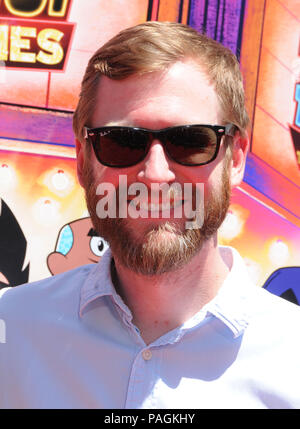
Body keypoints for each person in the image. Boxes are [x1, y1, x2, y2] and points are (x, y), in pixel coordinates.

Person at [0, 21, 300, 409]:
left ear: (236, 158)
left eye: (191, 141)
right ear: (81, 158)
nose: (155, 175)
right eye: (122, 142)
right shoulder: (11, 330)